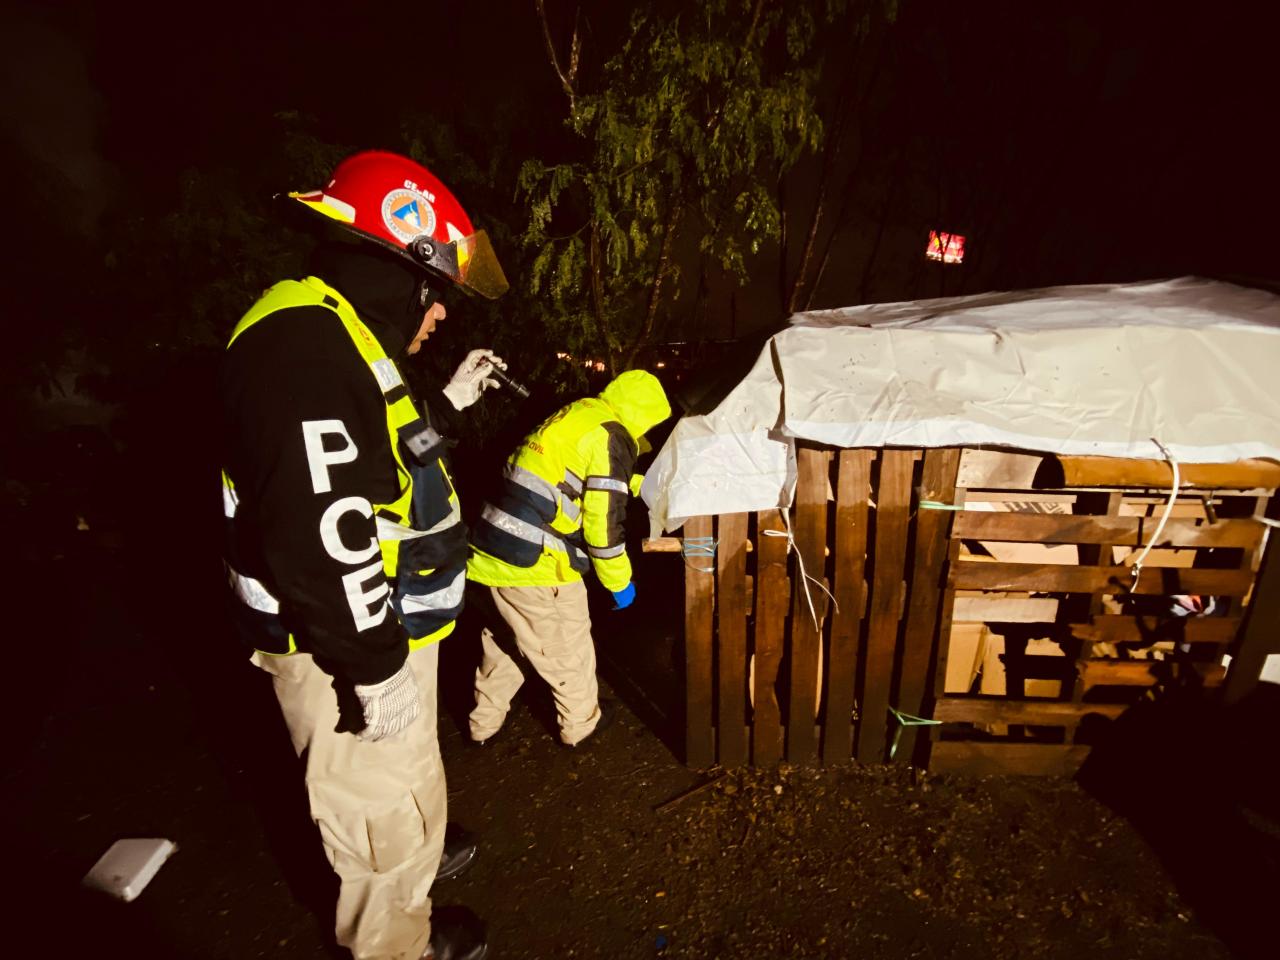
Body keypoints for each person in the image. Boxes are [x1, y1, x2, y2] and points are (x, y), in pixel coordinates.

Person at [219, 149, 506, 960]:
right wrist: (373, 667)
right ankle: (395, 945)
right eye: (435, 290)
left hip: (375, 630)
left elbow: (379, 464)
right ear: (398, 270)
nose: (441, 312)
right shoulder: (304, 347)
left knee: (398, 795)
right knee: (376, 819)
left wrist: (447, 405)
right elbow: (321, 525)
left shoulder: (339, 336)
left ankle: (413, 874)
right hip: (344, 648)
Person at [466, 370, 672, 747]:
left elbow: (571, 473)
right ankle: (581, 725)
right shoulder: (613, 435)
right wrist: (619, 582)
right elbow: (603, 526)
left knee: (509, 640)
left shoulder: (580, 413)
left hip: (495, 545)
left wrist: (638, 484)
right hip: (536, 560)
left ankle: (483, 724)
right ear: (644, 415)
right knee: (566, 644)